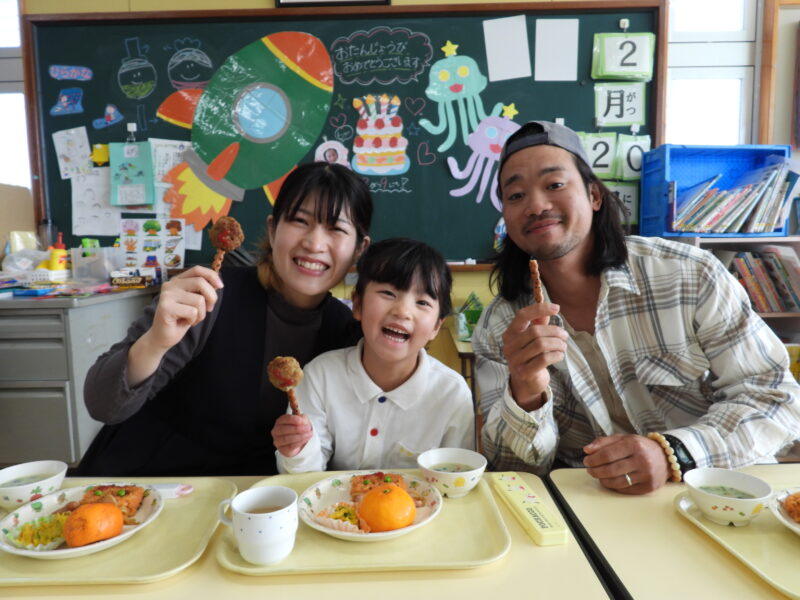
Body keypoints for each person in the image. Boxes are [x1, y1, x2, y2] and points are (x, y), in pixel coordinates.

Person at [473, 120, 800, 495]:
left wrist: (674, 453)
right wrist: (526, 389)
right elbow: (514, 471)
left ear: (594, 196)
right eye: (516, 195)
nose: (536, 205)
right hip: (593, 504)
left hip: (713, 489)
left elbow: (777, 398)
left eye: (555, 185)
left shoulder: (689, 275)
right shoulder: (501, 325)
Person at [77, 162, 373, 476]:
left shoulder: (347, 332)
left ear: (359, 249)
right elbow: (102, 405)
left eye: (336, 229)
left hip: (256, 493)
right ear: (272, 229)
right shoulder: (208, 296)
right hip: (152, 479)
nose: (314, 244)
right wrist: (155, 342)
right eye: (300, 221)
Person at [272, 238, 475, 472]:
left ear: (437, 326)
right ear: (357, 305)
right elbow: (305, 477)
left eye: (422, 302)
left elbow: (456, 478)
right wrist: (297, 450)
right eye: (388, 293)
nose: (403, 311)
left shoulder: (452, 393)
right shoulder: (320, 375)